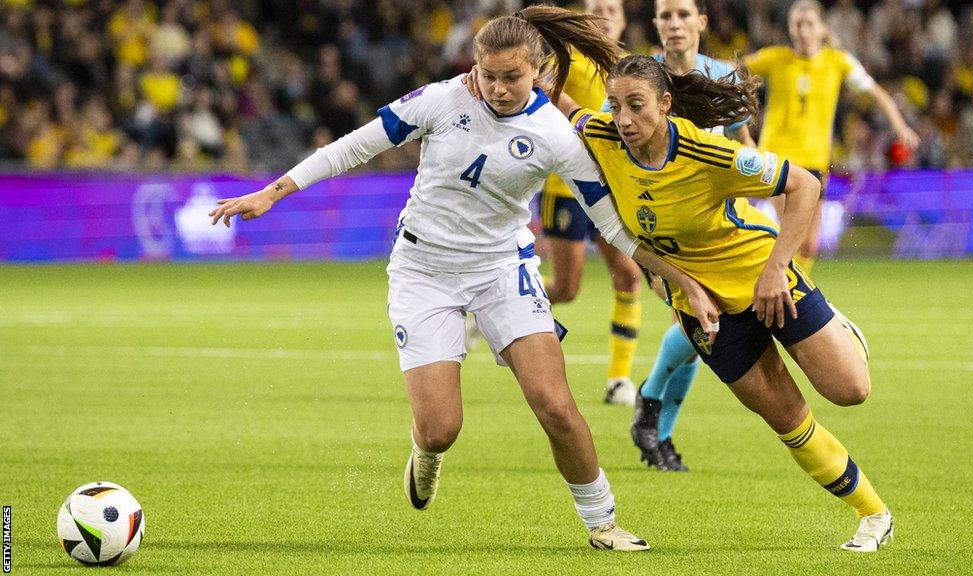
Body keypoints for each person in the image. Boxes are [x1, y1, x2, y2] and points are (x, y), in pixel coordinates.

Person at [207, 7, 708, 552]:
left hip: (502, 269)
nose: (497, 87)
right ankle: (426, 450)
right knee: (442, 427)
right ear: (474, 67)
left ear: (539, 71)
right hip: (424, 270)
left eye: (511, 77)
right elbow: (353, 145)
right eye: (488, 74)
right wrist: (273, 192)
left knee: (555, 404)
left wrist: (672, 276)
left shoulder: (557, 135)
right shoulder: (442, 99)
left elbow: (611, 223)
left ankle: (603, 522)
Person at [559, 54, 893, 552]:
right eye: (615, 105)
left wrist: (779, 268)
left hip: (764, 281)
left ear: (666, 104)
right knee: (787, 419)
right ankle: (873, 514)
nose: (623, 119)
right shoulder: (604, 135)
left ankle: (841, 329)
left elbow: (805, 185)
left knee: (850, 391)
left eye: (636, 105)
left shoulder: (706, 153)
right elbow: (560, 103)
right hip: (703, 310)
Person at [629, 0, 759, 473]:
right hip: (666, 232)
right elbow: (614, 148)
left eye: (684, 14)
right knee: (700, 328)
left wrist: (771, 189)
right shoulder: (640, 80)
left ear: (701, 22)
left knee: (699, 332)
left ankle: (652, 416)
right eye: (666, 16)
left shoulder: (721, 76)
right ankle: (658, 431)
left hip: (722, 227)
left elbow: (743, 142)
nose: (675, 24)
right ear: (657, 25)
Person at [740, 0, 919, 273]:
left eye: (809, 24)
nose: (803, 30)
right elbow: (730, 68)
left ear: (822, 28)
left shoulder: (838, 61)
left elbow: (877, 94)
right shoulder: (775, 58)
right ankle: (790, 299)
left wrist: (900, 126)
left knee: (809, 244)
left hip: (814, 160)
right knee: (791, 235)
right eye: (797, 24)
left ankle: (787, 292)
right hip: (778, 158)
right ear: (790, 28)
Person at [533, 0, 644, 406]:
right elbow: (536, 94)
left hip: (612, 189)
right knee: (566, 288)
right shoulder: (565, 59)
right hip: (565, 188)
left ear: (624, 18)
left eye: (612, 7)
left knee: (629, 277)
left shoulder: (634, 67)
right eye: (595, 7)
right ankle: (503, 300)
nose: (604, 14)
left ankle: (618, 379)